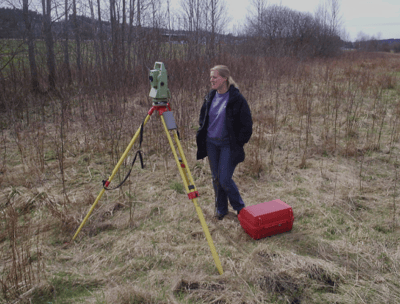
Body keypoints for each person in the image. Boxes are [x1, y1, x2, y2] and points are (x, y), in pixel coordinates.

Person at [196, 65, 253, 220]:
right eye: (210, 77)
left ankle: (240, 209)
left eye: (215, 77)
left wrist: (238, 142)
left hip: (228, 145)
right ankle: (221, 210)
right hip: (211, 144)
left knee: (224, 179)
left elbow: (247, 125)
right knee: (216, 178)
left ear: (225, 79)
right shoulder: (210, 96)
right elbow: (203, 117)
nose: (211, 80)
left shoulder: (237, 99)